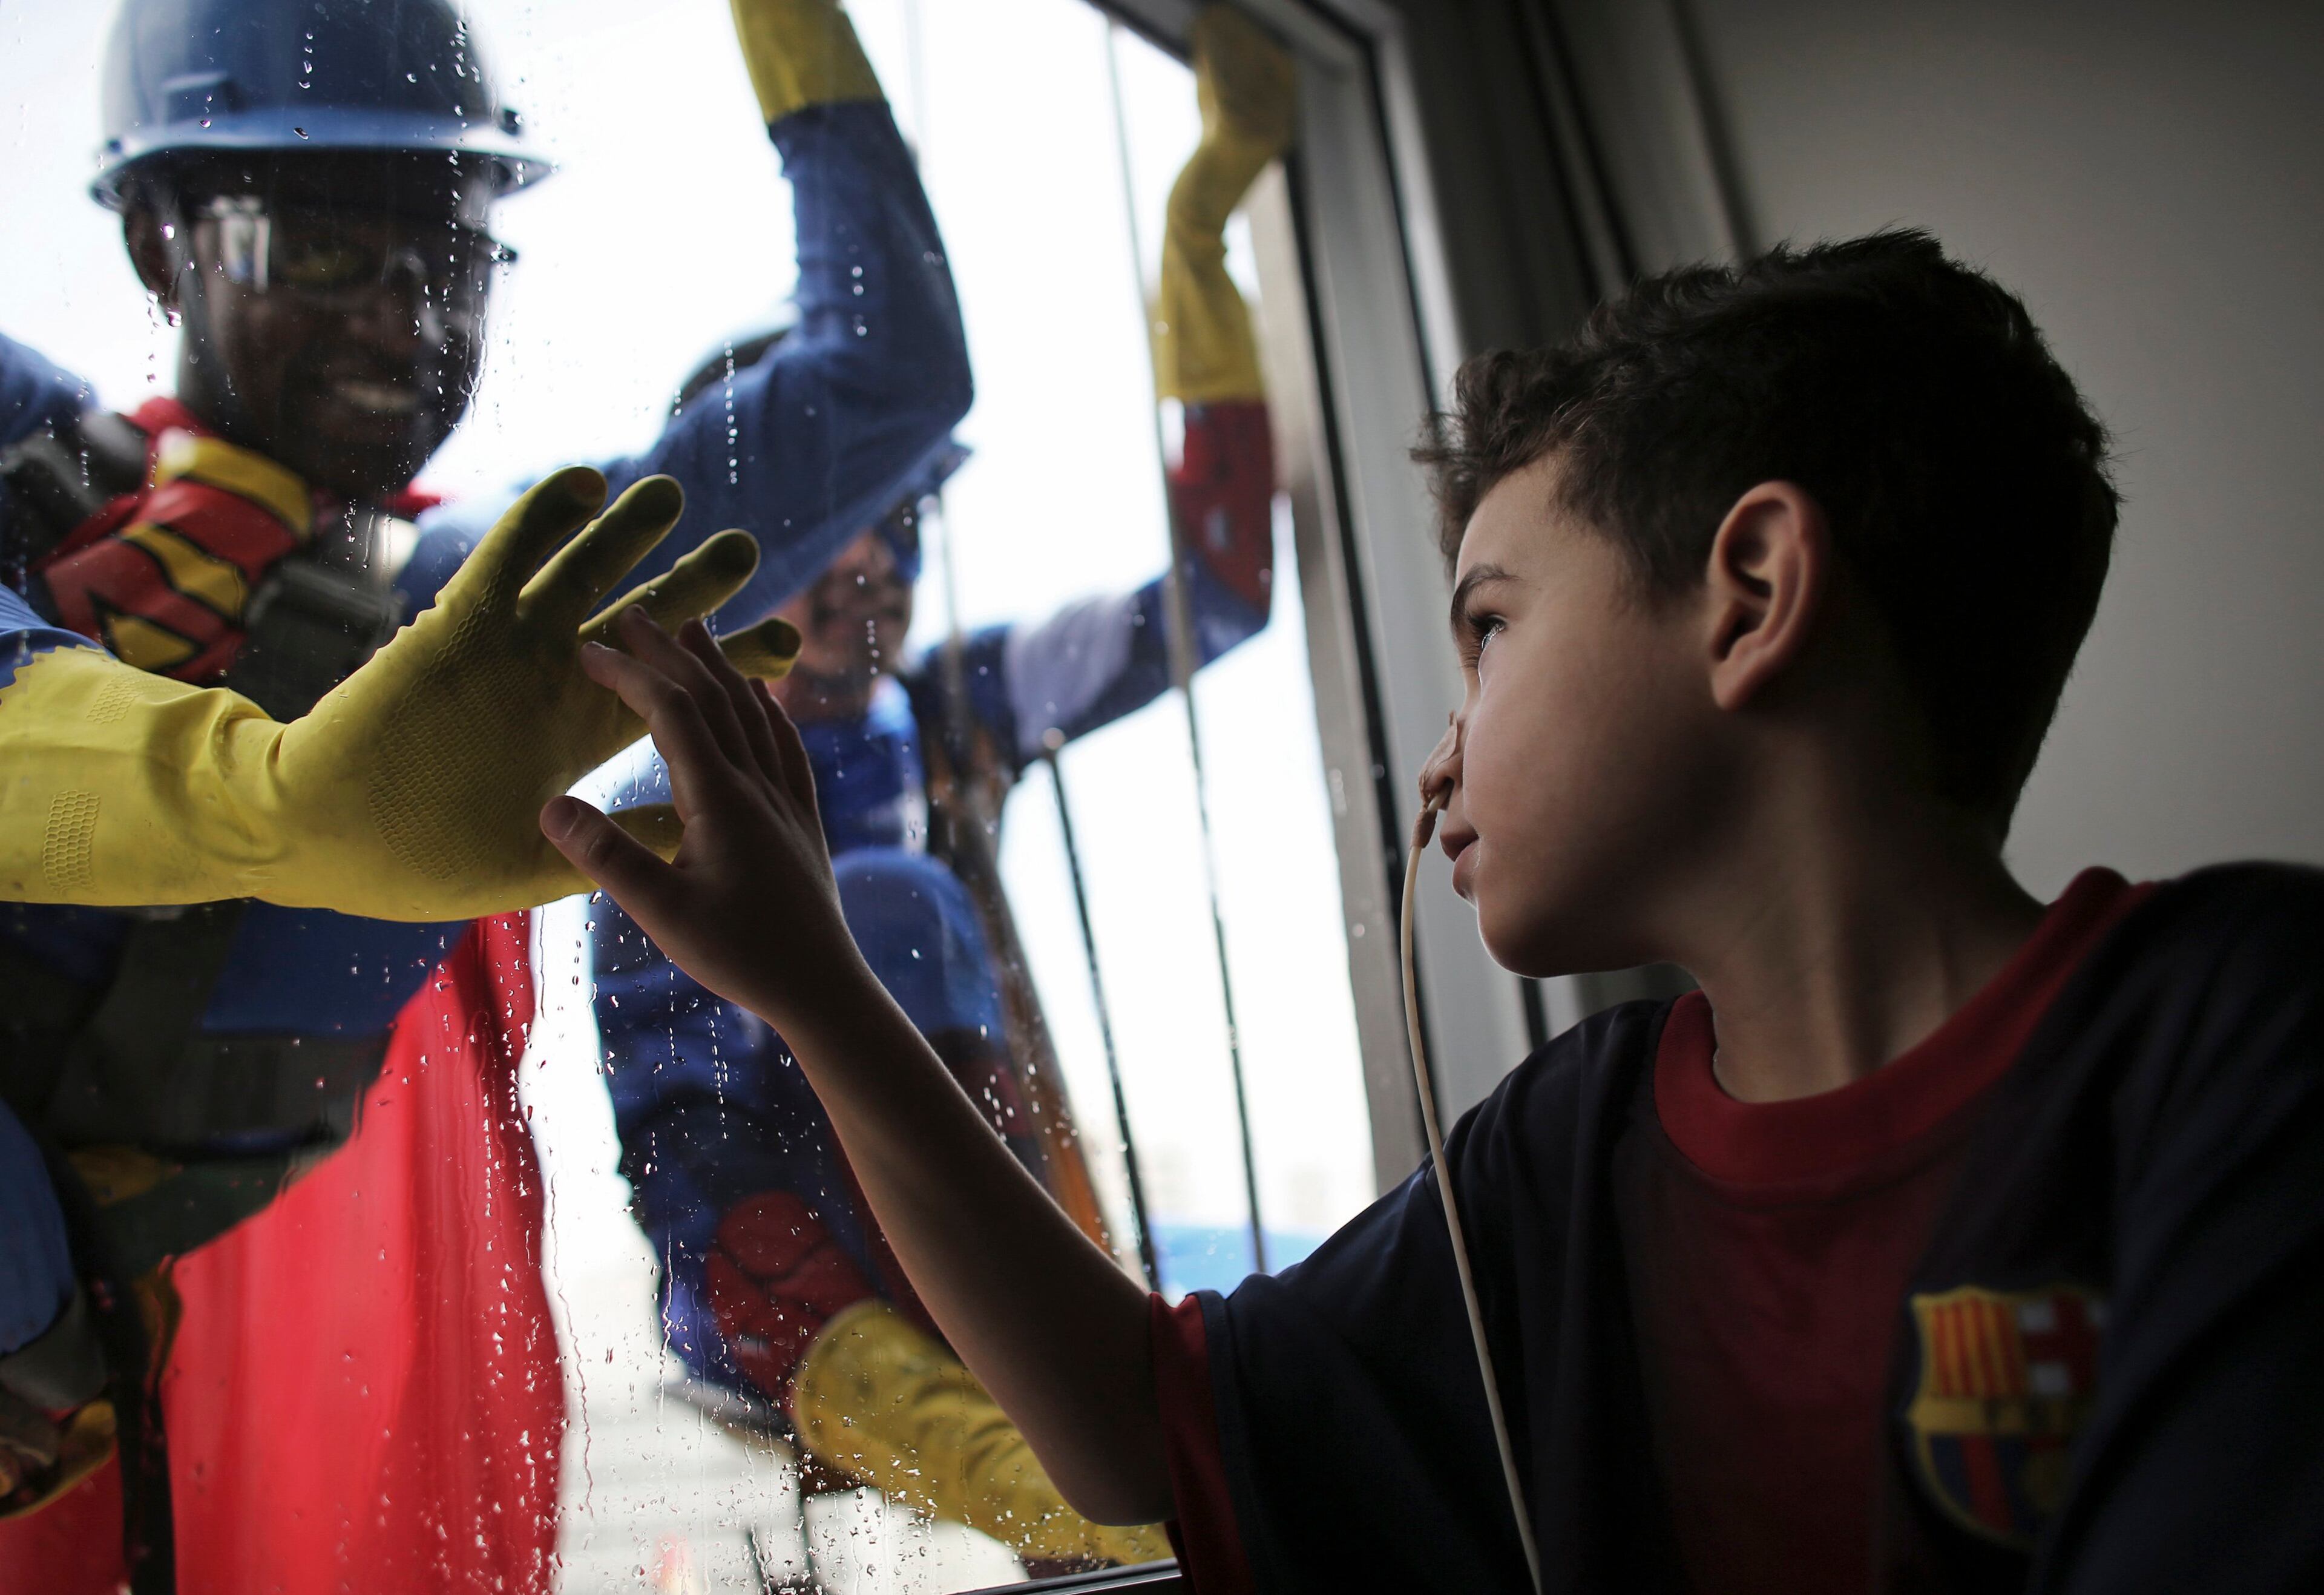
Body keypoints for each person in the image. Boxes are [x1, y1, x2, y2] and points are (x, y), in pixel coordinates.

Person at [545, 226, 2324, 1595]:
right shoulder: (1563, 1154)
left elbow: (1213, 587)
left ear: (1753, 595)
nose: (1438, 753)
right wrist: (818, 988)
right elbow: (1129, 1424)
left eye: (1489, 625)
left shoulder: (2247, 1034)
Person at [0, 0, 967, 1585]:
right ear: (160, 244)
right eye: (320, 252)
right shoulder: (44, 479)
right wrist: (247, 790)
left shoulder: (471, 624)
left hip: (191, 1432)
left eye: (445, 262)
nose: (400, 321)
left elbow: (887, 377)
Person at [585, 8, 1292, 1571]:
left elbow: (1224, 594)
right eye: (825, 530)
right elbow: (699, 1176)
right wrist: (1029, 1462)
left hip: (994, 1268)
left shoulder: (951, 712)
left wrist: (1202, 225)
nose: (864, 571)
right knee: (891, 898)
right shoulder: (654, 819)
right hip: (796, 1305)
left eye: (892, 526)